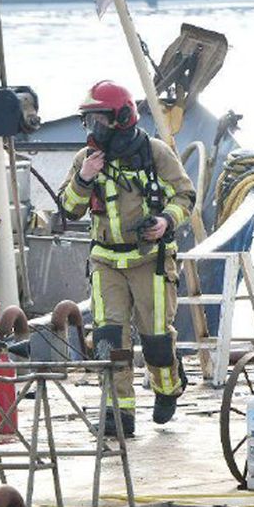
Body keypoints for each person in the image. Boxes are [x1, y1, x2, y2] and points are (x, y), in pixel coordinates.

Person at [57, 80, 196, 437]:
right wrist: (84, 179)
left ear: (119, 118)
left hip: (149, 259)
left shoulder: (155, 153)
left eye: (97, 120)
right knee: (109, 339)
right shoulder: (85, 161)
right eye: (87, 122)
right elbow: (69, 209)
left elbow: (184, 196)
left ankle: (167, 387)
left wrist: (165, 221)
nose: (91, 129)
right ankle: (118, 413)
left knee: (155, 339)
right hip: (107, 262)